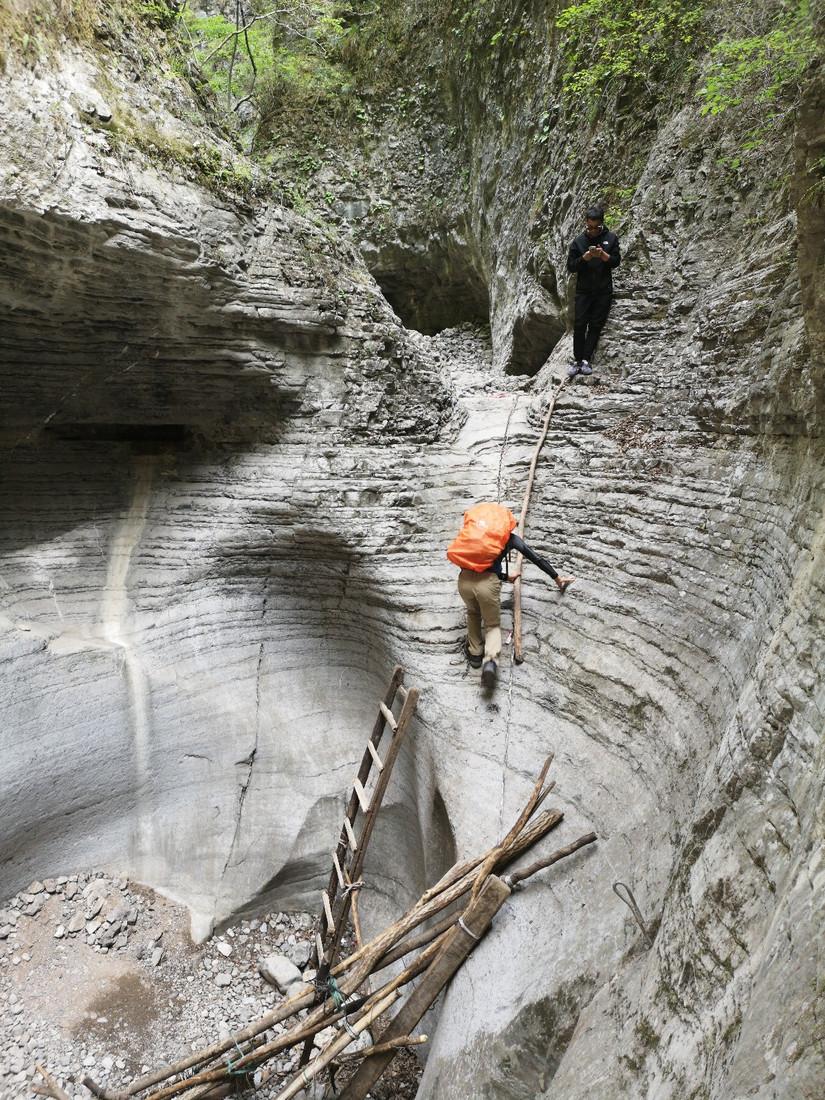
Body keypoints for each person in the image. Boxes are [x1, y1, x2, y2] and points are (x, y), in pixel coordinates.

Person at [458, 533, 575, 689]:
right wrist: (557, 578)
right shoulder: (510, 538)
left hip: (463, 580)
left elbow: (466, 561)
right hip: (487, 584)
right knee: (492, 624)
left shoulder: (475, 535)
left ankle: (475, 655)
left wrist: (505, 577)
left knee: (473, 613)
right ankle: (490, 663)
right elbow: (536, 559)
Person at [566, 205, 621, 378]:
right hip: (583, 290)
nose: (592, 231)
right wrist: (585, 258)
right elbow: (571, 266)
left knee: (595, 325)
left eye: (595, 227)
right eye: (589, 227)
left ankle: (586, 360)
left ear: (601, 224)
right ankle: (577, 360)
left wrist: (603, 256)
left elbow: (616, 261)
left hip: (603, 290)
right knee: (580, 324)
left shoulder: (611, 238)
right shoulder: (579, 241)